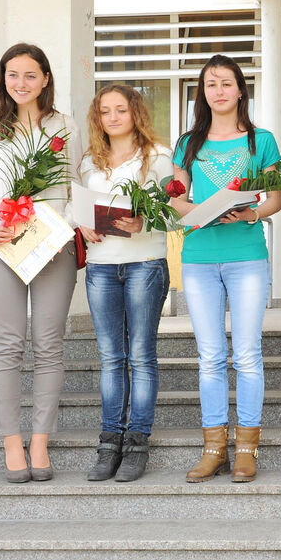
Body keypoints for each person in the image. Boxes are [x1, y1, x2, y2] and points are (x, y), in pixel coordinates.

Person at [0, 43, 83, 482]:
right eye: (12, 74)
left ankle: (39, 442)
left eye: (30, 75)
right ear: (3, 78)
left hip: (53, 248)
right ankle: (12, 442)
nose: (21, 83)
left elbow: (74, 188)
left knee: (49, 344)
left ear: (45, 79)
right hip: (3, 247)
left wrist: (61, 231)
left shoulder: (64, 126)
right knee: (8, 344)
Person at [171, 54, 281, 483]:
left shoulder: (261, 140)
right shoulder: (188, 143)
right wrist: (203, 212)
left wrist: (251, 212)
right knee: (211, 356)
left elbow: (275, 199)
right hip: (199, 258)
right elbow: (176, 200)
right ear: (203, 93)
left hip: (247, 256)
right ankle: (214, 448)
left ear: (240, 90)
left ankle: (247, 449)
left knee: (248, 354)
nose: (218, 91)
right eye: (210, 84)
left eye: (226, 83)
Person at [79, 85, 172, 482]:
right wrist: (81, 224)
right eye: (105, 111)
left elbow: (173, 211)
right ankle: (109, 443)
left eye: (120, 109)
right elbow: (74, 205)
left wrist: (144, 221)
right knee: (111, 357)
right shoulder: (89, 161)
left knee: (141, 356)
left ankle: (137, 442)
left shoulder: (158, 156)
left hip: (144, 264)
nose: (113, 117)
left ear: (135, 112)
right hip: (101, 267)